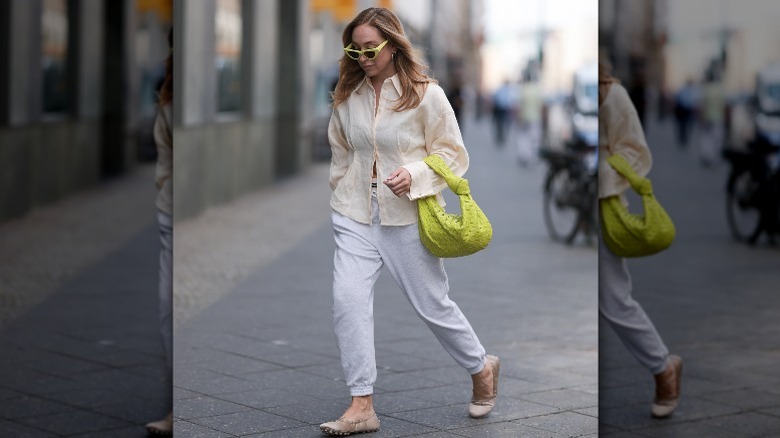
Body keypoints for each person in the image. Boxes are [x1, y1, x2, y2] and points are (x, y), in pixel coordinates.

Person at [320, 7, 499, 436]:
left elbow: (454, 154)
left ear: (392, 44)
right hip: (356, 213)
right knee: (348, 301)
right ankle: (361, 404)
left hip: (407, 215)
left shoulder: (426, 94)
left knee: (432, 305)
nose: (363, 57)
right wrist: (343, 188)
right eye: (354, 49)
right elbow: (341, 150)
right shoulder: (348, 94)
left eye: (371, 48)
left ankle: (481, 367)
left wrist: (416, 174)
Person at [598, 62, 683, 418]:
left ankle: (664, 369)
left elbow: (635, 150)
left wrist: (599, 173)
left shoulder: (613, 94)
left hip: (604, 204)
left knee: (613, 300)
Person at [145, 28, 173, 437]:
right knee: (168, 310)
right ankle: (173, 409)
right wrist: (165, 190)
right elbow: (164, 153)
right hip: (171, 214)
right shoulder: (167, 95)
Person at [674, 79, 698, 148]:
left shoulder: (684, 90)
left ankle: (683, 136)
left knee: (683, 124)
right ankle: (684, 137)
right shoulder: (692, 91)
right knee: (685, 124)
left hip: (684, 109)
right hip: (686, 109)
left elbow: (678, 99)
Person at [492, 80, 514, 145]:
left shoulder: (500, 89)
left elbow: (495, 98)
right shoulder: (508, 91)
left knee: (499, 123)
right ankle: (502, 136)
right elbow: (510, 101)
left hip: (499, 108)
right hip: (504, 109)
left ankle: (499, 135)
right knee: (504, 123)